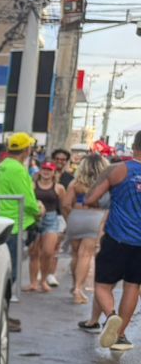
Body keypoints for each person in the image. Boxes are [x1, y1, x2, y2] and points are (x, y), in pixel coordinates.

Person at [84, 132, 141, 350]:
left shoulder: (118, 170)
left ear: (134, 146)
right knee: (133, 286)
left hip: (117, 238)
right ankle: (121, 336)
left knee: (102, 285)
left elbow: (90, 198)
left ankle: (110, 316)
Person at [0, 132, 42, 306]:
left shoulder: (4, 165)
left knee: (5, 268)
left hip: (3, 220)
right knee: (10, 270)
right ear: (26, 150)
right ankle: (0, 308)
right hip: (14, 223)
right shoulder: (17, 169)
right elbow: (27, 198)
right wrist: (38, 210)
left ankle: (0, 305)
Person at [67, 151, 111, 316]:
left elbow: (65, 203)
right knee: (86, 255)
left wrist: (69, 216)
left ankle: (74, 285)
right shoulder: (105, 184)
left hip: (76, 217)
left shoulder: (75, 183)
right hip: (95, 218)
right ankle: (78, 289)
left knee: (75, 255)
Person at [27, 162, 68, 293]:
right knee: (34, 252)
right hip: (35, 219)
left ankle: (43, 280)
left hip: (51, 219)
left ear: (53, 173)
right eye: (44, 169)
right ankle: (33, 282)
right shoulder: (32, 185)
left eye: (49, 170)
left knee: (48, 252)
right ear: (40, 171)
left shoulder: (59, 188)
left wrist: (67, 223)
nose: (46, 172)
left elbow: (63, 206)